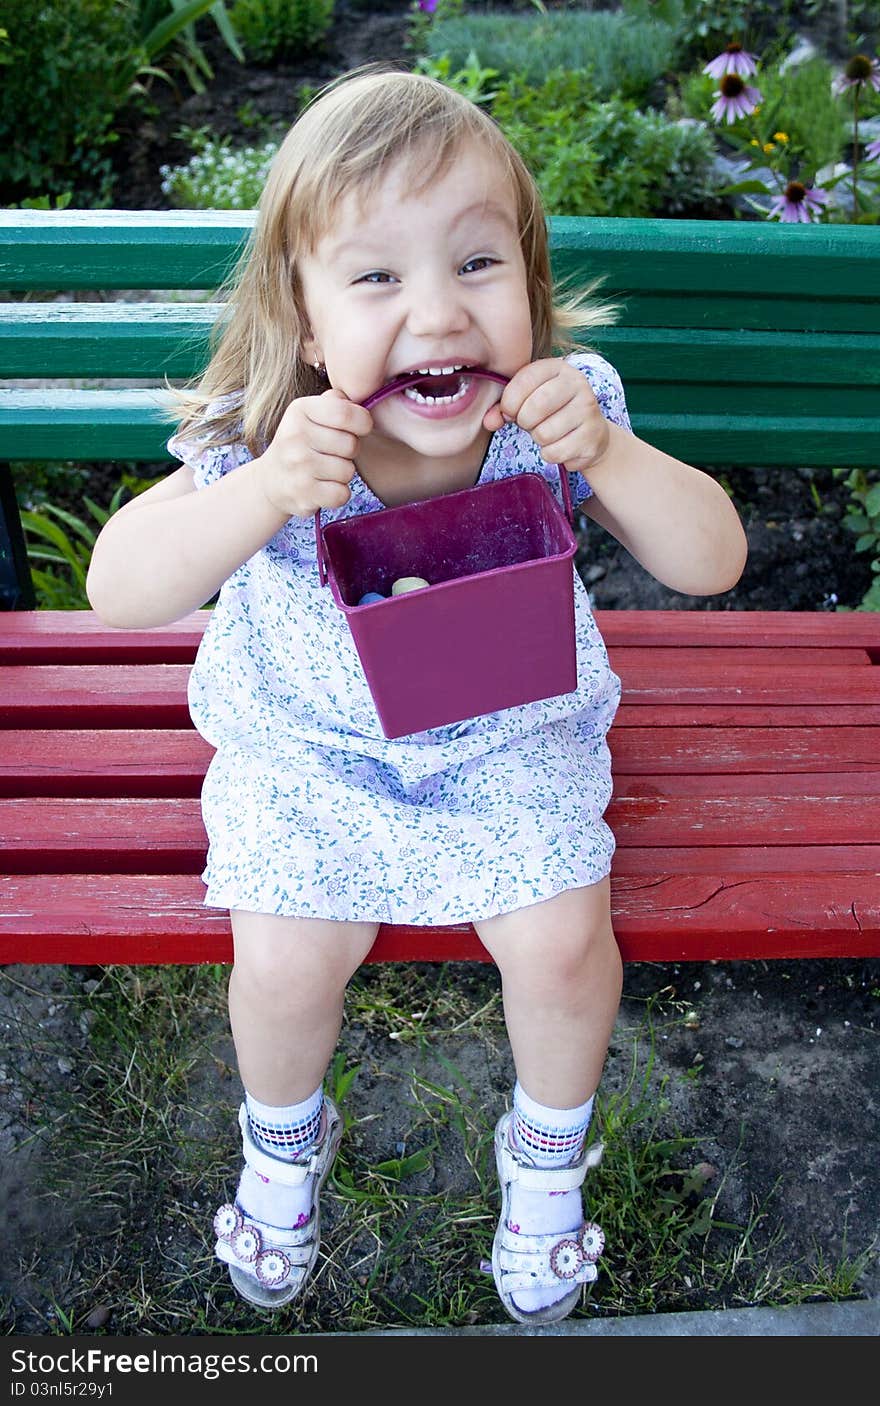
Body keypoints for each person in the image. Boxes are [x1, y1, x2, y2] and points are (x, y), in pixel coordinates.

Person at [86, 67, 747, 1325]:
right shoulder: (266, 433)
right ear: (306, 309)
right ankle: (284, 1145)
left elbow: (712, 559)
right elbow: (121, 587)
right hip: (312, 755)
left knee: (558, 939)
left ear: (530, 283)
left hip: (510, 740)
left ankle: (546, 1154)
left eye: (477, 263)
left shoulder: (555, 418)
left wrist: (605, 451)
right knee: (281, 957)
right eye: (378, 276)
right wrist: (262, 492)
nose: (437, 314)